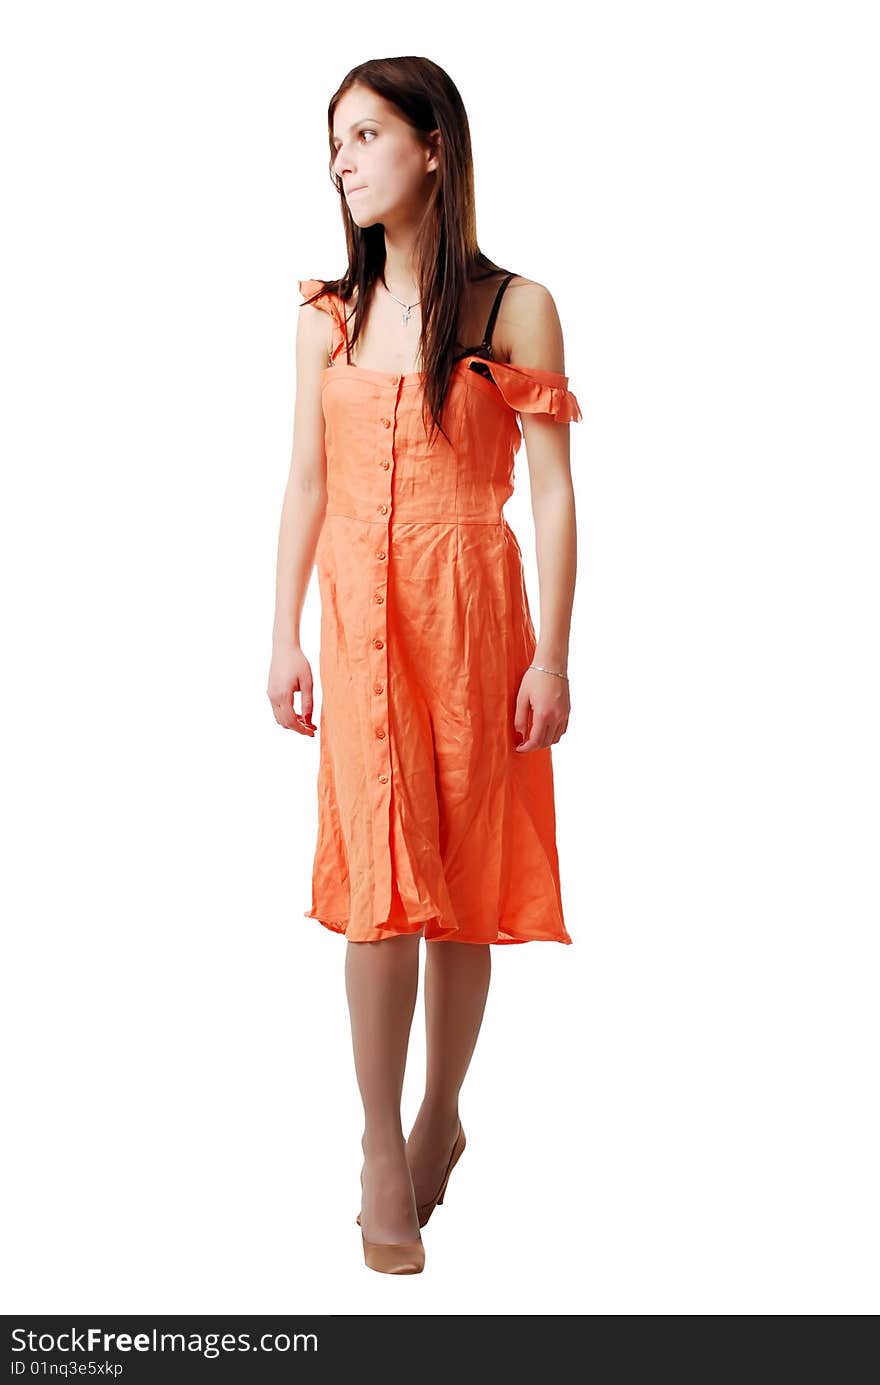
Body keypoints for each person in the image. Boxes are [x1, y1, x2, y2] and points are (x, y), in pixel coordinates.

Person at [267, 57, 583, 1275]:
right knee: (377, 884)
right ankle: (380, 1151)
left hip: (471, 612)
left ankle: (441, 1106)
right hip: (357, 621)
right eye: (332, 143)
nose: (343, 162)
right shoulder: (323, 316)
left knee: (460, 884)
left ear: (433, 145)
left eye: (364, 135)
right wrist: (281, 633)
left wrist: (554, 655)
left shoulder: (514, 307)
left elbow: (552, 496)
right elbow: (303, 481)